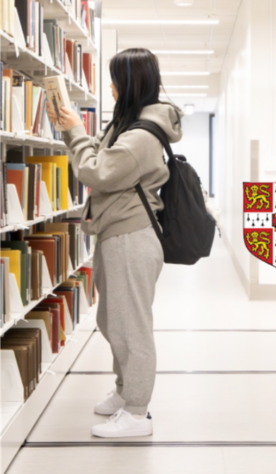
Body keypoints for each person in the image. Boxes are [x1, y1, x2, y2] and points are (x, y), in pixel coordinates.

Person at [47, 48, 183, 438]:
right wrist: (74, 130)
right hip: (115, 232)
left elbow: (98, 172)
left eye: (115, 80)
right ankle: (126, 393)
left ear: (131, 83)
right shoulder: (129, 124)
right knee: (112, 320)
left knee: (131, 327)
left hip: (132, 235)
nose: (110, 86)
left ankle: (137, 413)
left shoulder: (142, 134)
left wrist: (74, 130)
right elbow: (103, 158)